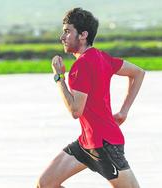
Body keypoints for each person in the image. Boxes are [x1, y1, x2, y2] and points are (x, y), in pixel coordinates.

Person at [37, 8, 145, 188]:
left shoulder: (80, 67)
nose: (62, 37)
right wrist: (123, 112)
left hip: (104, 144)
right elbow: (138, 73)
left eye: (67, 31)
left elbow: (75, 110)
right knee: (46, 183)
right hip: (86, 142)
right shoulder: (102, 57)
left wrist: (59, 78)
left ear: (83, 35)